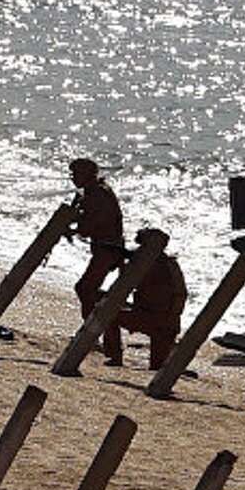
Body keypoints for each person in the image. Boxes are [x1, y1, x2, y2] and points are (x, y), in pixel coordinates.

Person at [103, 229, 187, 369]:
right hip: (167, 322)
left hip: (152, 318)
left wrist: (122, 263)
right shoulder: (170, 264)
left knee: (108, 315)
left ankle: (115, 357)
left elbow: (125, 284)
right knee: (158, 366)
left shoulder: (147, 264)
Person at [68, 157, 124, 321]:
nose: (73, 178)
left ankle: (93, 329)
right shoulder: (95, 191)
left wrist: (71, 229)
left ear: (87, 175)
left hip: (108, 250)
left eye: (76, 174)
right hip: (107, 249)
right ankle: (95, 324)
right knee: (87, 289)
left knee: (85, 289)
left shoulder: (97, 194)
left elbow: (88, 227)